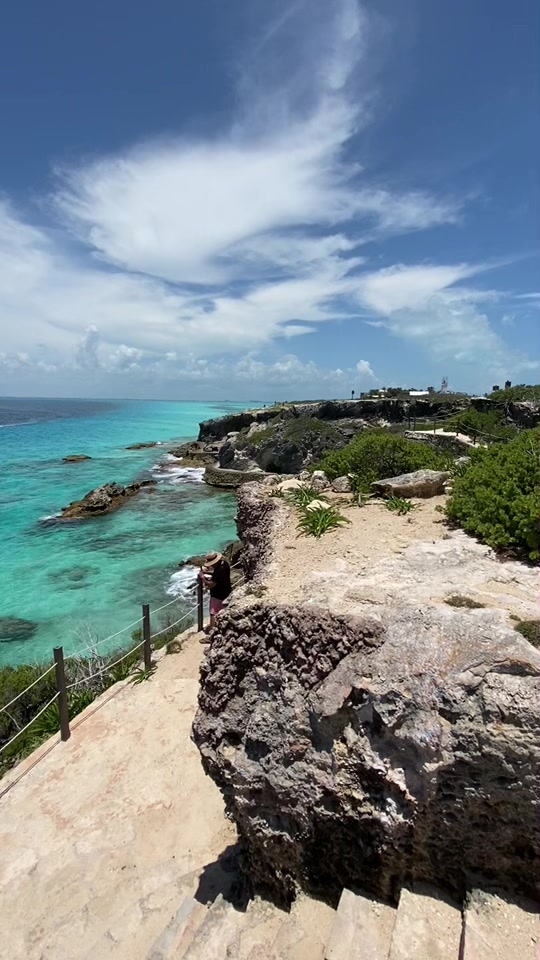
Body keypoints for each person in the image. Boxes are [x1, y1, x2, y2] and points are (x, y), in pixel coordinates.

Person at [199, 551, 231, 633]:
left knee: (213, 612)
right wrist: (208, 572)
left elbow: (210, 585)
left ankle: (212, 633)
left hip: (218, 594)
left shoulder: (220, 570)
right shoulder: (224, 564)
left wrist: (203, 578)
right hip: (226, 591)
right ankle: (219, 628)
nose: (211, 565)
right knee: (221, 611)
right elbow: (217, 575)